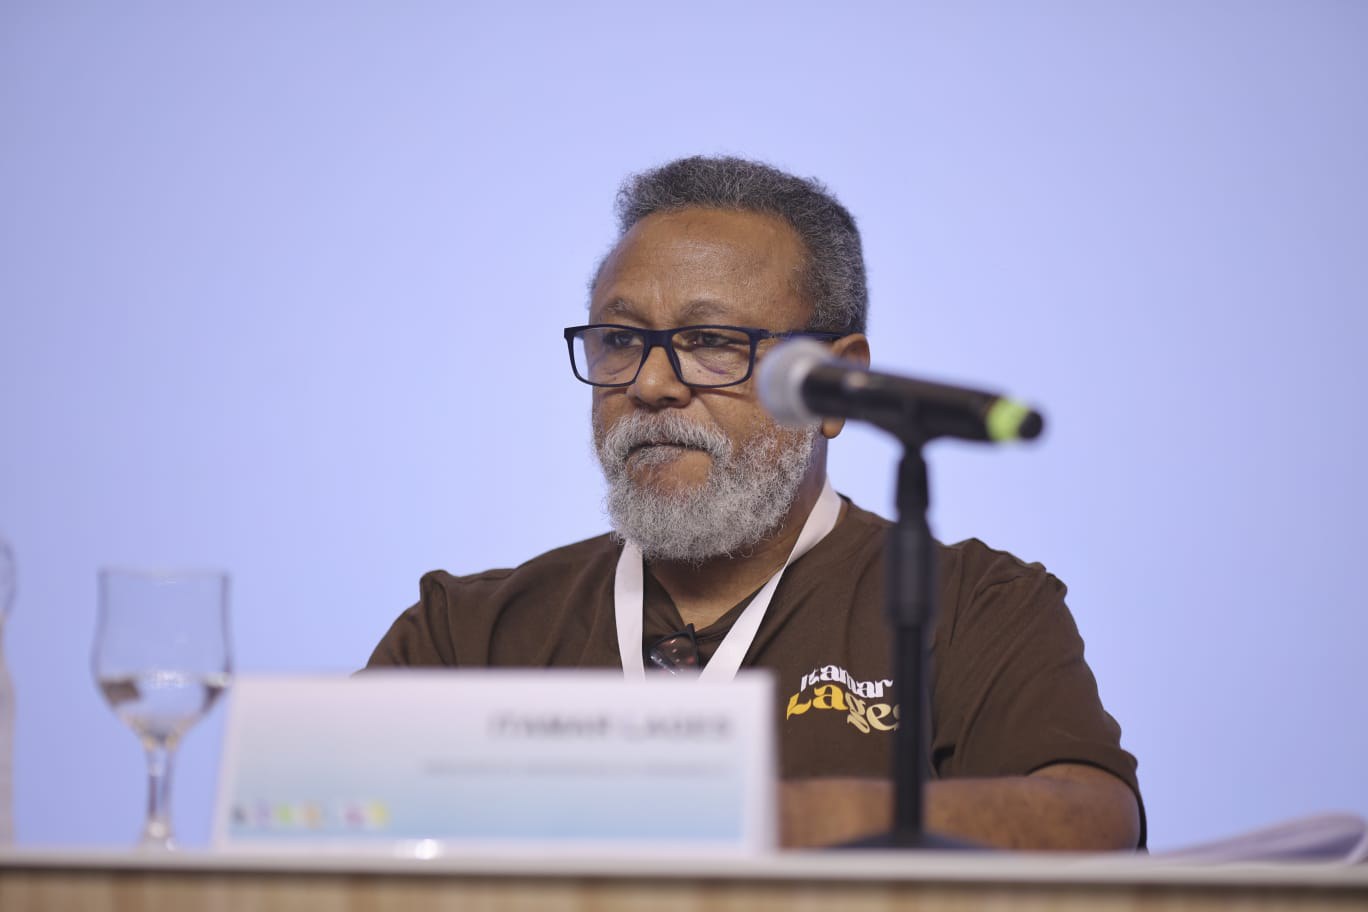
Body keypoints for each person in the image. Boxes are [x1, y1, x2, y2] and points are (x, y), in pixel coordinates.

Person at [368, 155, 1144, 850]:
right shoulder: (467, 631)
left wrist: (782, 823)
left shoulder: (975, 607)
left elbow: (1092, 821)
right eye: (620, 339)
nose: (649, 384)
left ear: (838, 384)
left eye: (711, 341)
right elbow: (316, 819)